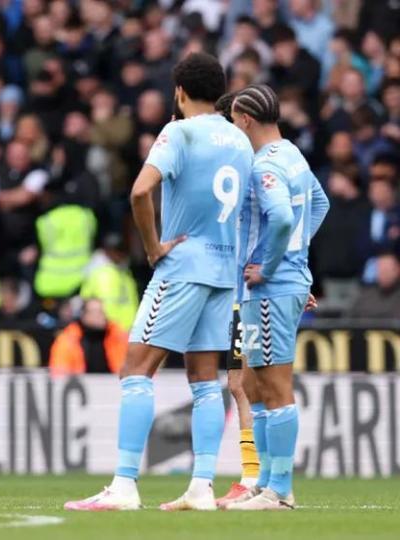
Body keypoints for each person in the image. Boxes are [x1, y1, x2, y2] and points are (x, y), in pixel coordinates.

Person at [64, 52, 253, 512]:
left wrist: (152, 247)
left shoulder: (178, 131)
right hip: (223, 274)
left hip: (183, 265)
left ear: (179, 92)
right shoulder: (240, 140)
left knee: (135, 369)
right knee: (206, 381)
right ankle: (201, 487)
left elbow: (139, 190)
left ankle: (125, 485)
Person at [226, 84, 329, 510]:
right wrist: (297, 259)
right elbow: (319, 204)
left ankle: (280, 490)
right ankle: (265, 481)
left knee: (274, 384)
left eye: (234, 119)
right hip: (281, 283)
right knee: (254, 382)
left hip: (269, 286)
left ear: (246, 120)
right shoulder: (293, 155)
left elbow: (284, 216)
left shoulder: (263, 164)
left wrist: (274, 265)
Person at [211, 91, 262, 507]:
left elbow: (285, 220)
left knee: (248, 383)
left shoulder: (255, 169)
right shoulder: (243, 167)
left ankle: (256, 477)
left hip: (250, 289)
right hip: (234, 287)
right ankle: (257, 475)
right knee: (239, 382)